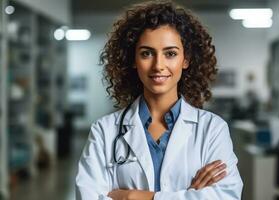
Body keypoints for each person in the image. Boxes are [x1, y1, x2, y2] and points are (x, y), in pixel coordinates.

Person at [75, 1, 243, 199]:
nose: (158, 65)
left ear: (186, 60)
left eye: (170, 53)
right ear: (133, 60)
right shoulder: (104, 131)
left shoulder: (212, 129)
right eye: (147, 53)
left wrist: (134, 197)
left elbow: (226, 196)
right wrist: (190, 195)